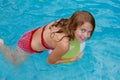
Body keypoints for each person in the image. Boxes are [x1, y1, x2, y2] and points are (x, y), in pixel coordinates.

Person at [0, 10, 95, 65]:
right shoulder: (64, 45)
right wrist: (73, 59)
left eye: (89, 31)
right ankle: (1, 45)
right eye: (83, 30)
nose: (86, 35)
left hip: (32, 34)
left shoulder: (65, 21)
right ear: (73, 27)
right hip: (28, 46)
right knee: (13, 62)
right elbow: (50, 61)